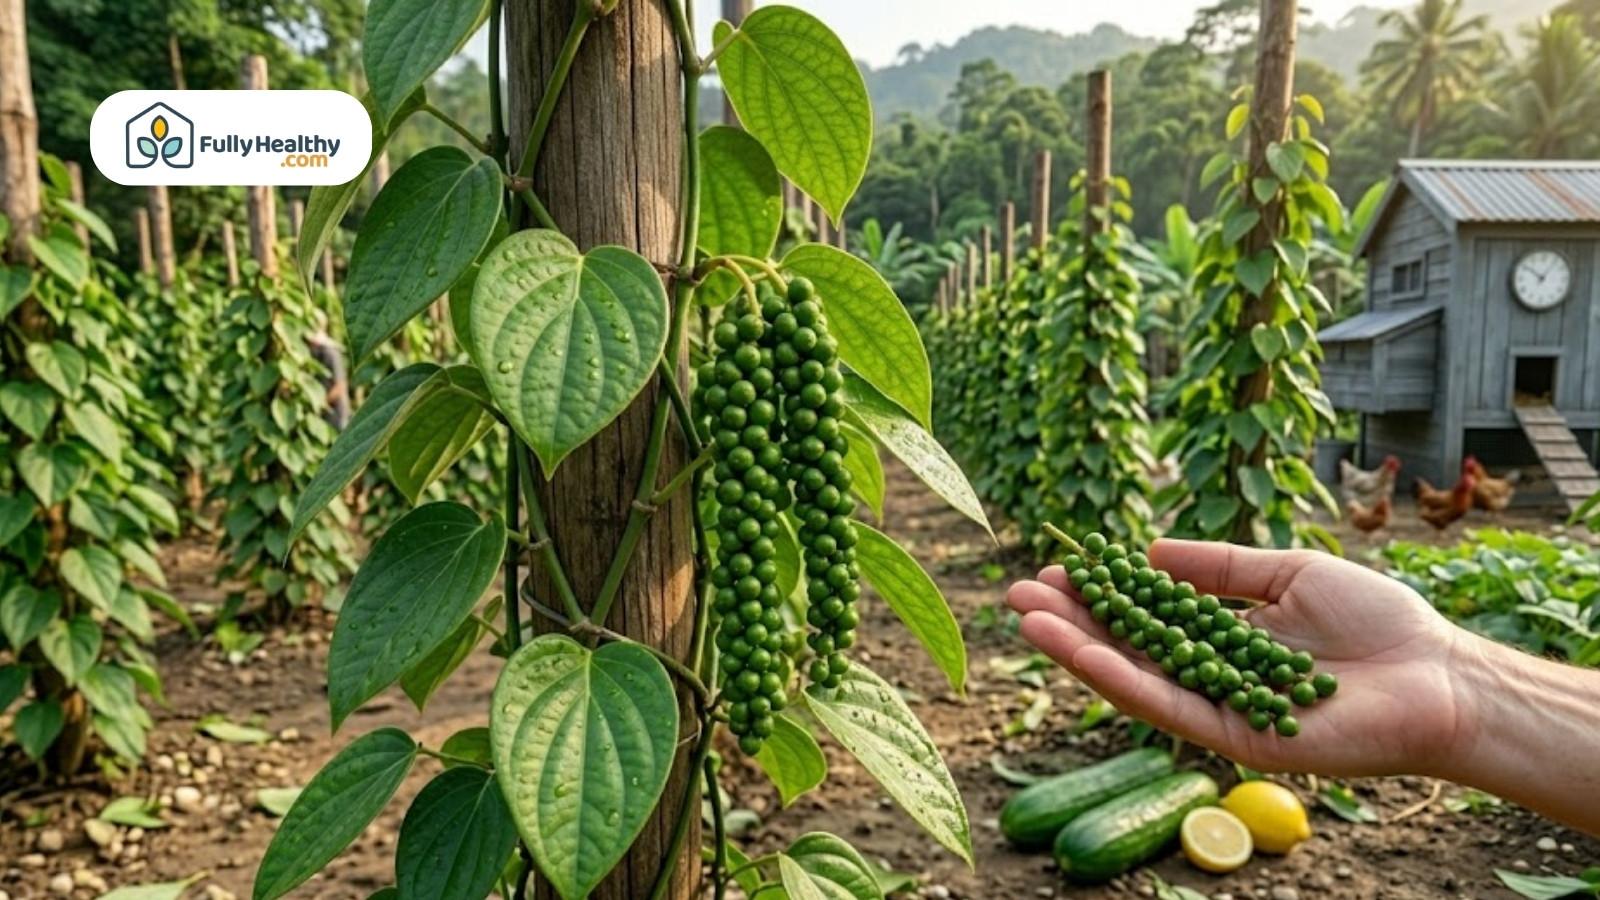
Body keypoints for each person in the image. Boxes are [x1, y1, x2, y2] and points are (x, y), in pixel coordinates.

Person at [1007, 538, 1600, 836]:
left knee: (1183, 640)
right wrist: (1466, 685)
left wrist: (1460, 679)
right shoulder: (1244, 669)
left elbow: (1193, 641)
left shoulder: (1264, 671)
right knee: (1170, 638)